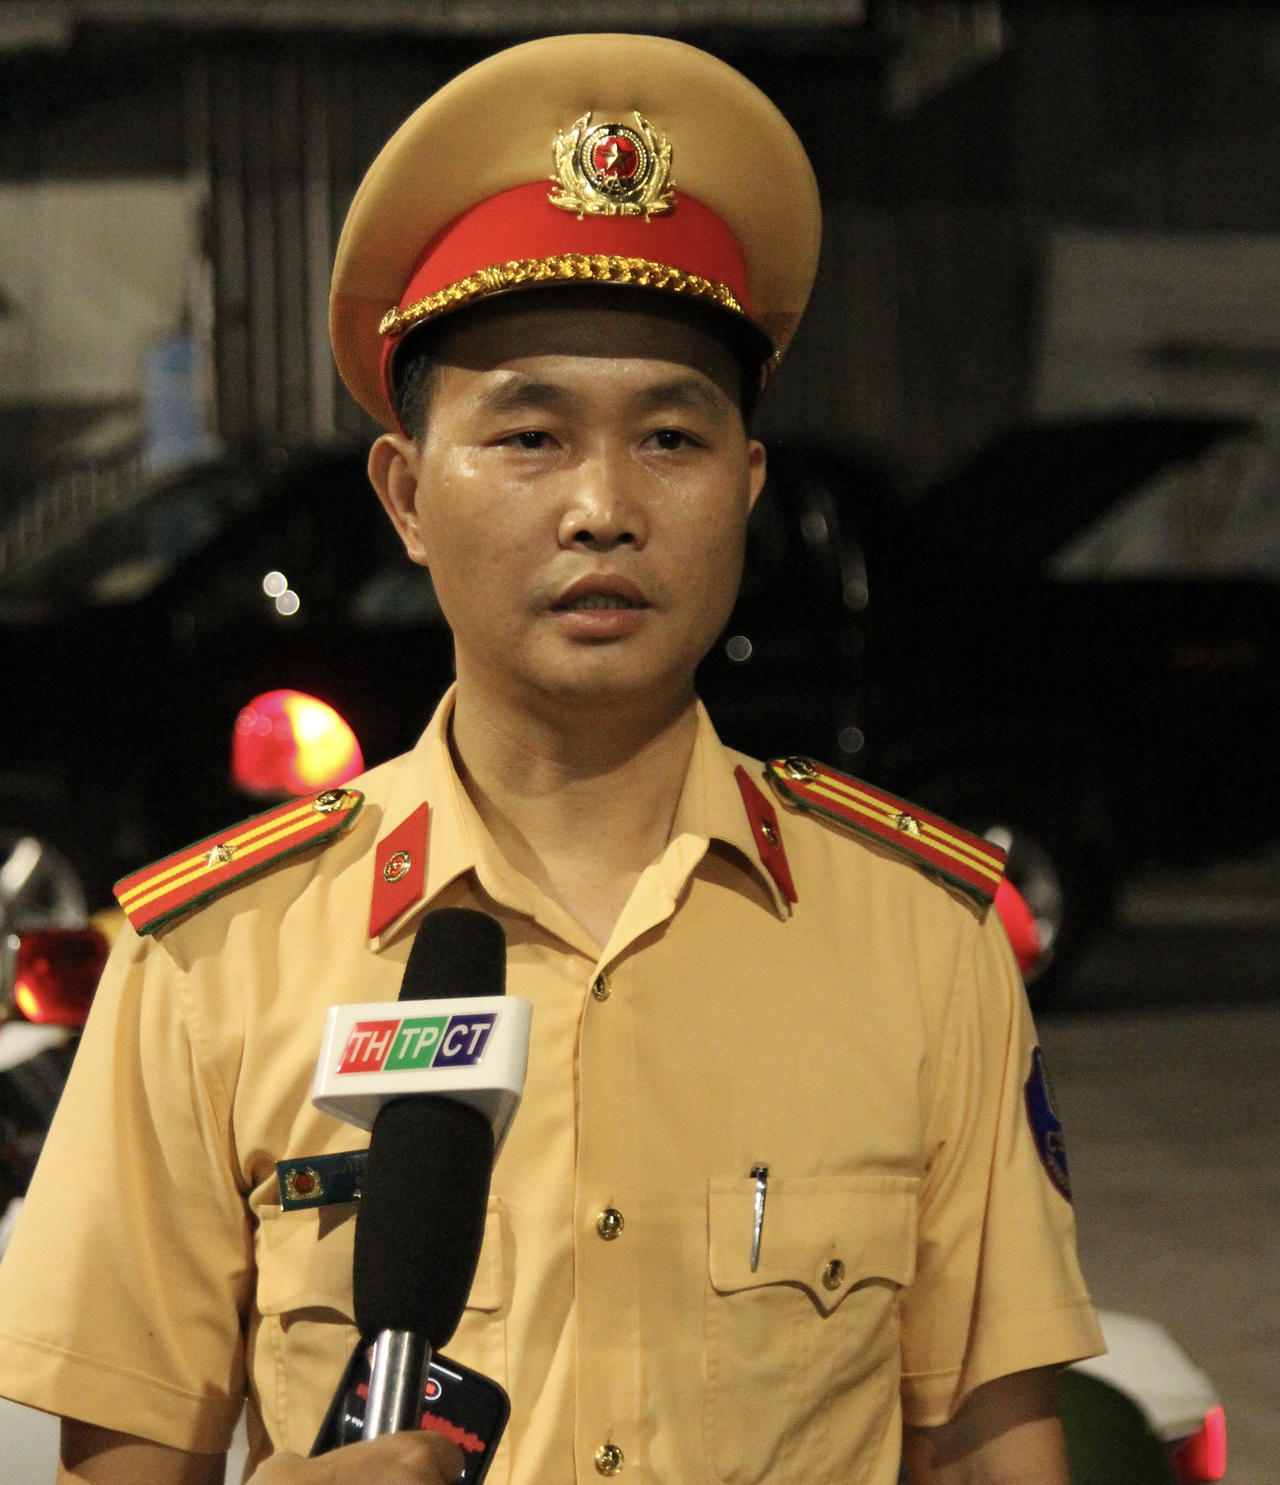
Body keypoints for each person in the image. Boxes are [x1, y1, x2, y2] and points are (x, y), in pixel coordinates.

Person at [0, 32, 1102, 1485]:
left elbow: (985, 1451)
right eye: (527, 436)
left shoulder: (923, 943)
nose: (601, 506)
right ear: (406, 495)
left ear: (747, 488)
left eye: (670, 439)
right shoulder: (212, 963)